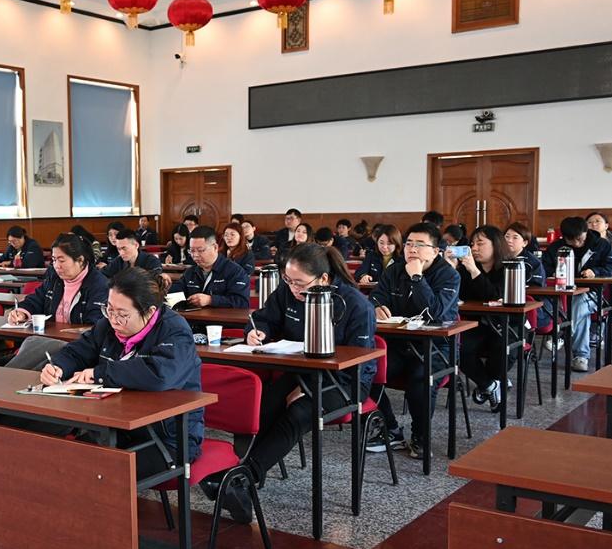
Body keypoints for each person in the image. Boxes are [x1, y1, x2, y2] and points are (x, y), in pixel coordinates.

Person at [42, 267, 204, 549]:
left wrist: (100, 373)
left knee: (99, 480)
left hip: (168, 439)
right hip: (118, 429)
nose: (113, 319)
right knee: (63, 464)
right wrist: (59, 366)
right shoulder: (109, 326)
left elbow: (161, 374)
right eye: (109, 310)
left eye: (122, 314)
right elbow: (79, 350)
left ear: (149, 311)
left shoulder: (175, 330)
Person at [221, 244, 377, 519]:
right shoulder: (287, 291)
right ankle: (238, 475)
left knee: (299, 412)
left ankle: (242, 478)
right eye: (288, 280)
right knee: (262, 404)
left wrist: (309, 388)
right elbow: (263, 318)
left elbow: (358, 361)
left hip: (346, 381)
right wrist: (255, 332)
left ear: (323, 279)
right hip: (300, 371)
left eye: (300, 284)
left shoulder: (355, 305)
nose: (293, 288)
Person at [369, 222, 462, 458]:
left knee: (421, 380)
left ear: (436, 251)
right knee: (366, 372)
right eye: (409, 243)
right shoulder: (394, 270)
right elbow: (374, 298)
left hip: (437, 347)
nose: (412, 249)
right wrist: (376, 306)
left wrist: (417, 277)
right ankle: (391, 430)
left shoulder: (449, 276)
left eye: (420, 245)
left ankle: (421, 436)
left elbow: (434, 313)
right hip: (399, 343)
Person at [3, 234, 109, 370]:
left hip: (80, 347)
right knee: (33, 347)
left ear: (80, 260)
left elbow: (97, 324)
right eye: (53, 260)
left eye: (61, 260)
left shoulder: (98, 285)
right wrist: (22, 312)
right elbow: (37, 298)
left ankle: (9, 373)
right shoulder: (54, 278)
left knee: (38, 355)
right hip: (51, 339)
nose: (56, 266)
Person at [445, 226, 516, 413]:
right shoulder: (465, 270)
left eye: (480, 243)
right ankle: (489, 385)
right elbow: (455, 296)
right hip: (476, 323)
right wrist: (451, 269)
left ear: (496, 245)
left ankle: (492, 381)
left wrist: (474, 270)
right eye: (472, 244)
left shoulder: (509, 267)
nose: (474, 248)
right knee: (458, 348)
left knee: (502, 348)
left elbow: (495, 296)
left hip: (504, 325)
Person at [540, 216, 612, 373]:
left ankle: (561, 334)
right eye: (572, 240)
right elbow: (544, 268)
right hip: (563, 293)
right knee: (579, 312)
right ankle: (580, 356)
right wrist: (555, 273)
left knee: (577, 304)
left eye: (580, 239)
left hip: (595, 292)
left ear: (586, 232)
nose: (577, 243)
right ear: (564, 237)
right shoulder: (556, 247)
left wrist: (595, 272)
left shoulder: (601, 245)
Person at [177, 226, 251, 309]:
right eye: (192, 251)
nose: (195, 255)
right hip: (192, 317)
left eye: (200, 250)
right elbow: (177, 290)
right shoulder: (190, 272)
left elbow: (242, 302)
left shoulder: (235, 271)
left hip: (222, 317)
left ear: (215, 247)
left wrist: (210, 300)